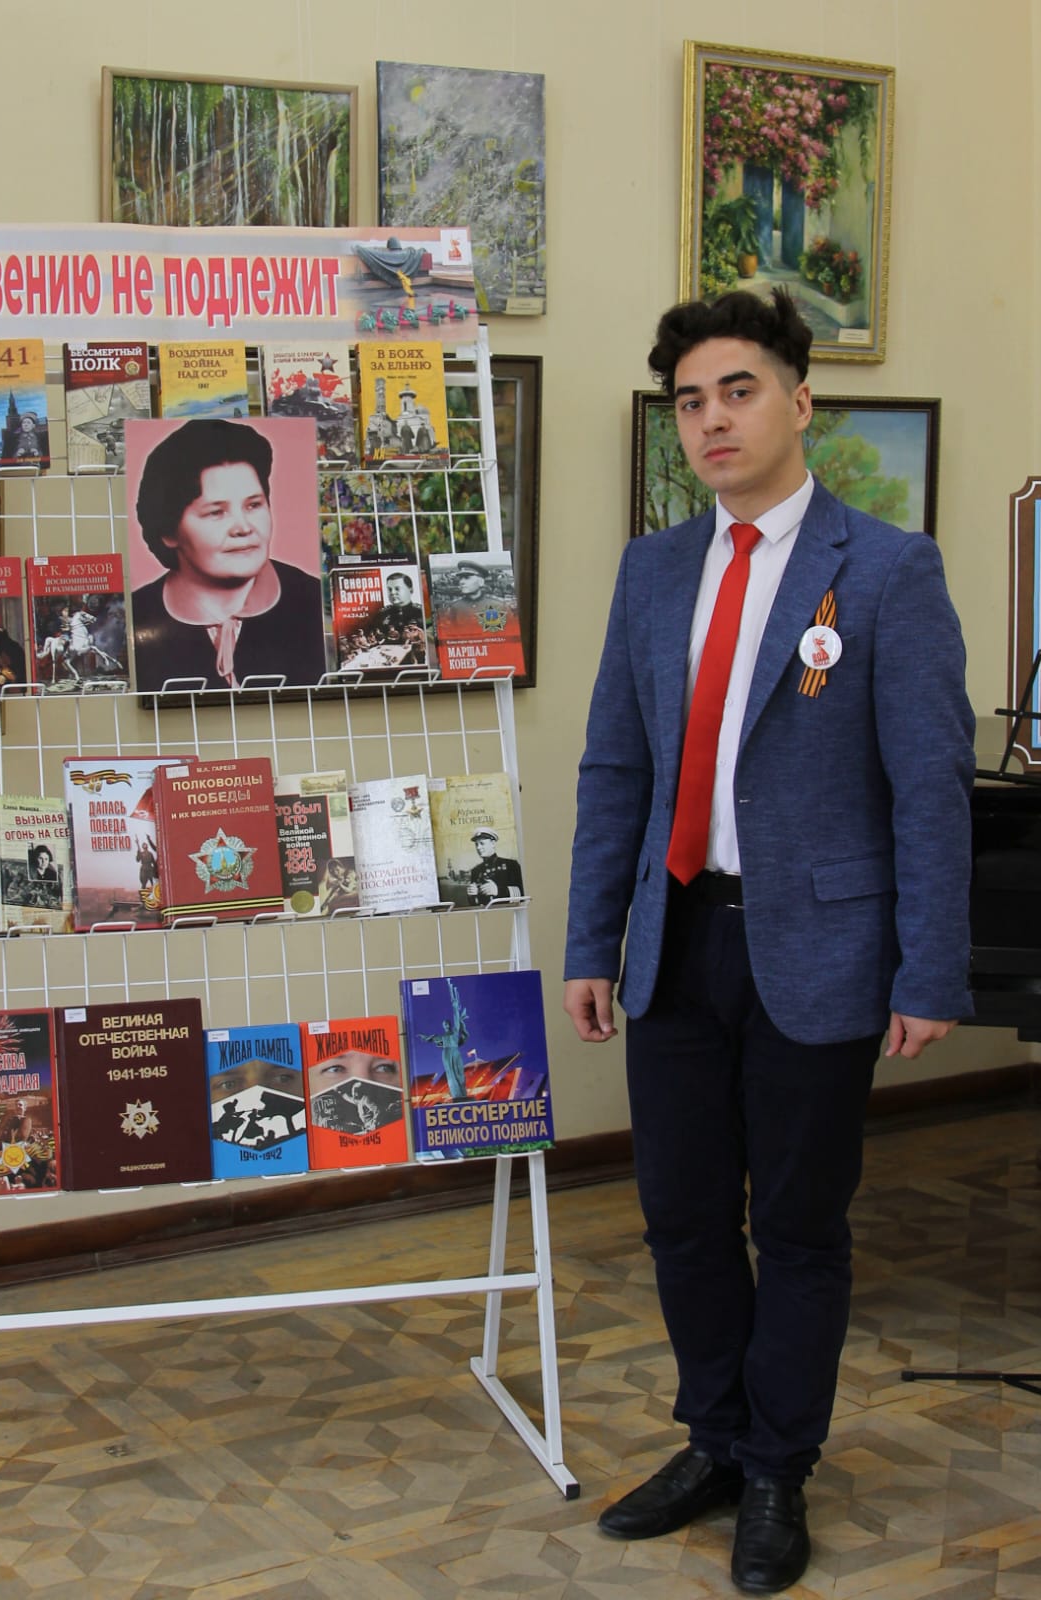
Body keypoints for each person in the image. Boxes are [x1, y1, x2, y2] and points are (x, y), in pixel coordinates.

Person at [563, 288, 975, 1596]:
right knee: (679, 1217)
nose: (711, 420)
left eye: (735, 391)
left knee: (796, 1226)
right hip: (674, 941)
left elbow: (928, 789)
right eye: (689, 401)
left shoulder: (887, 569)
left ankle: (775, 1467)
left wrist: (928, 967)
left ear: (798, 401)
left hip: (819, 952)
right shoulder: (651, 571)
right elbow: (614, 769)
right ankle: (713, 1438)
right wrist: (589, 940)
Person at [131, 419, 327, 693]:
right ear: (168, 531)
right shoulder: (134, 616)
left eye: (253, 505)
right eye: (216, 512)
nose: (243, 527)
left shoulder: (317, 602)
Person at [465, 827, 524, 903]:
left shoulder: (511, 865)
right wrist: (472, 896)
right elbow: (475, 905)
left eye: (482, 843)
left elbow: (524, 893)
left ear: (493, 843)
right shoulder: (475, 871)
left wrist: (498, 891)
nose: (478, 847)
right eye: (476, 844)